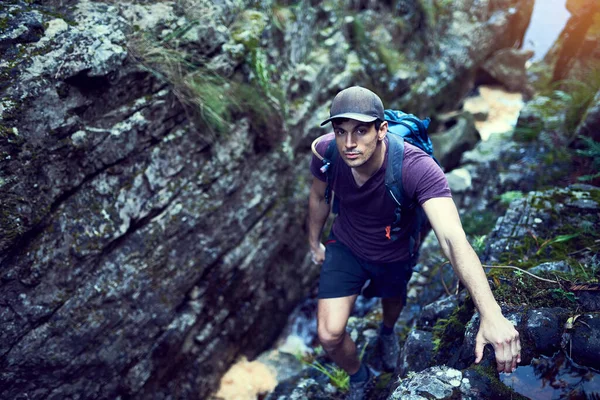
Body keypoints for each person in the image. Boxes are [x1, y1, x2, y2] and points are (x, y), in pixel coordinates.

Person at [307, 86, 521, 399]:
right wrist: (314, 243)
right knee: (329, 334)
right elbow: (317, 196)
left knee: (392, 303)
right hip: (346, 246)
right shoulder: (327, 153)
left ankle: (388, 332)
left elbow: (451, 237)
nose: (349, 143)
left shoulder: (416, 167)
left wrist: (490, 313)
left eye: (361, 131)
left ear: (381, 130)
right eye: (341, 131)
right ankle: (359, 375)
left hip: (394, 253)